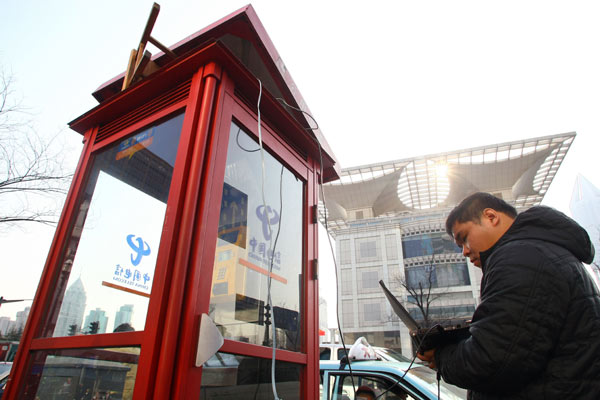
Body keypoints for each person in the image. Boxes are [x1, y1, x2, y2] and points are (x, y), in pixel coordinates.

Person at [417, 192, 600, 399]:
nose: (465, 252)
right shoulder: (539, 251)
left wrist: (441, 357)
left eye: (465, 238)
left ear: (491, 217)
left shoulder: (520, 258)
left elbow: (491, 361)